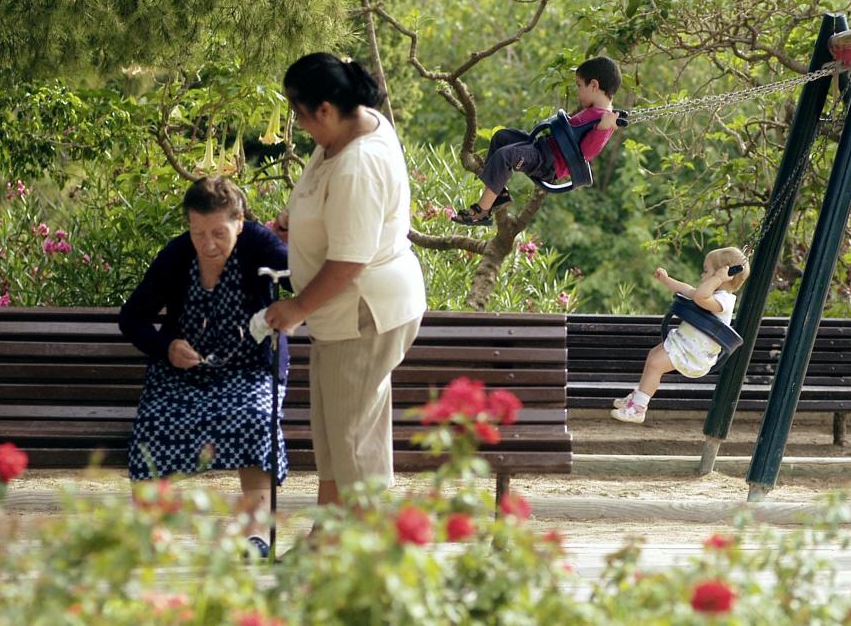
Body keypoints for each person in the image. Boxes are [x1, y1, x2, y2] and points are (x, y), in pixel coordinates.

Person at [265, 52, 427, 507]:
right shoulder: (354, 122)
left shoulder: (359, 163)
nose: (299, 126)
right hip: (342, 315)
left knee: (355, 440)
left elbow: (349, 261)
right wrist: (297, 220)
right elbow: (332, 205)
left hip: (364, 312)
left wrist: (296, 308)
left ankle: (366, 556)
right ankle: (328, 536)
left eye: (299, 115)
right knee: (335, 431)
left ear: (324, 110)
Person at [119, 176, 290, 558]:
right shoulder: (177, 255)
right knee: (154, 418)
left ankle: (256, 530)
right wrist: (167, 348)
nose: (208, 245)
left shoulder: (259, 244)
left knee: (256, 416)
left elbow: (300, 278)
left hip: (249, 369)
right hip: (184, 371)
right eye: (198, 233)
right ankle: (150, 530)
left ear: (240, 222)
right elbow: (131, 318)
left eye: (218, 233)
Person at [452, 56, 623, 226]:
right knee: (502, 137)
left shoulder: (605, 122)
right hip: (543, 147)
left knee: (506, 155)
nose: (577, 93)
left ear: (593, 85)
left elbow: (587, 152)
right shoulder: (595, 112)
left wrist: (602, 129)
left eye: (579, 86)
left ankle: (482, 211)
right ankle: (499, 196)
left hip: (549, 162)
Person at [611, 247, 750, 424]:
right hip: (683, 345)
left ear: (725, 274)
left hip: (694, 354)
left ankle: (638, 409)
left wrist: (717, 278)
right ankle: (639, 396)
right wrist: (667, 280)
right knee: (653, 357)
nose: (702, 275)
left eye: (706, 271)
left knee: (655, 364)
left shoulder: (724, 300)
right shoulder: (711, 294)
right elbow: (688, 289)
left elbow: (699, 296)